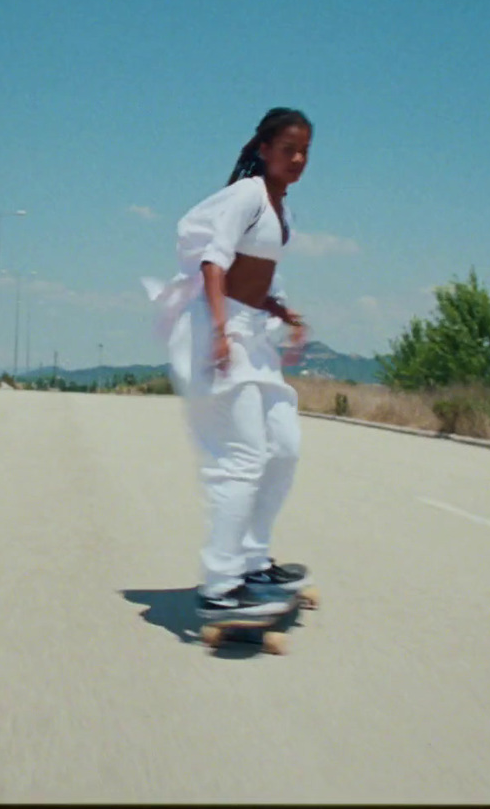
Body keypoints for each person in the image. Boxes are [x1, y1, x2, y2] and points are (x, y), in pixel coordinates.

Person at [142, 107, 316, 621]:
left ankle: (252, 561)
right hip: (219, 332)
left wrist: (284, 312)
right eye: (288, 149)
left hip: (253, 337)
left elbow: (257, 278)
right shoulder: (247, 196)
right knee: (241, 458)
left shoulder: (281, 210)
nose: (299, 159)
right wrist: (219, 332)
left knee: (283, 447)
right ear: (264, 149)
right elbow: (214, 264)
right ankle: (220, 586)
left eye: (305, 150)